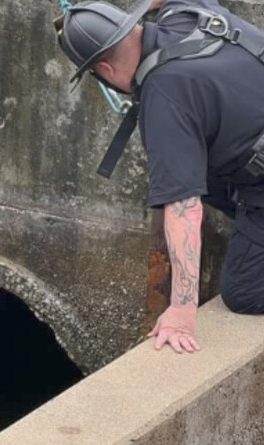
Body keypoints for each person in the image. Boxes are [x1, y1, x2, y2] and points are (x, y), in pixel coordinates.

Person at [55, 0, 264, 353]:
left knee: (243, 291)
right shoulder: (184, 14)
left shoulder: (163, 94)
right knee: (193, 168)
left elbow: (184, 207)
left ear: (104, 68)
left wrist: (182, 310)